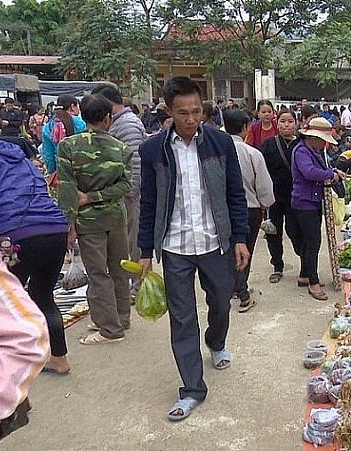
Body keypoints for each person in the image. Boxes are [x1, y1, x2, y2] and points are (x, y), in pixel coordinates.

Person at [137, 76, 250, 421]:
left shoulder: (220, 144)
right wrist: (145, 250)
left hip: (215, 242)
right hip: (175, 247)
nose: (191, 119)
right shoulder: (153, 149)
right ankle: (191, 389)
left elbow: (235, 193)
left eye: (196, 111)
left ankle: (216, 342)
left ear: (203, 109)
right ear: (168, 111)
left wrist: (240, 237)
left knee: (220, 301)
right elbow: (149, 202)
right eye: (183, 112)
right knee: (182, 318)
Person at [0, 133, 69, 373]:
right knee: (42, 294)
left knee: (3, 306)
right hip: (55, 229)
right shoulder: (21, 159)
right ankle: (59, 358)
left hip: (15, 236)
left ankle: (12, 372)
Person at [57, 95, 132, 346]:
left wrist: (70, 223)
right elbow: (126, 185)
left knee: (98, 273)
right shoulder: (120, 148)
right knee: (120, 269)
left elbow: (67, 190)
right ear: (107, 117)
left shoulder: (68, 146)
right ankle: (119, 318)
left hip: (89, 224)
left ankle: (110, 329)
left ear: (82, 116)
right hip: (117, 218)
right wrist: (99, 195)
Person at [91, 83, 148, 299]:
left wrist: (131, 191)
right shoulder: (117, 122)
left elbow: (135, 161)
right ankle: (130, 286)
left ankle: (137, 286)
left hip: (129, 195)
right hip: (121, 193)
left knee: (133, 242)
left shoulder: (127, 125)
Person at [224, 108, 275, 312]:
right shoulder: (252, 153)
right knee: (246, 250)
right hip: (249, 208)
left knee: (227, 250)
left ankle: (231, 289)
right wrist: (266, 203)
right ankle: (243, 293)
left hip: (223, 209)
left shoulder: (218, 152)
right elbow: (263, 185)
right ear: (245, 128)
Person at [0, 245, 49, 422]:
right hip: (49, 235)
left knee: (39, 296)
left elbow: (25, 333)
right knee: (43, 296)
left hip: (24, 240)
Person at [291, 117, 347, 301]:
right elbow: (310, 173)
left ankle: (305, 274)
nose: (324, 144)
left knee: (309, 241)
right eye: (322, 140)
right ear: (313, 137)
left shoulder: (313, 151)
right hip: (304, 202)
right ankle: (313, 282)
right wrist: (331, 174)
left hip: (313, 201)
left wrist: (333, 171)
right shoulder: (301, 151)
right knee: (313, 242)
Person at [259, 109, 303, 284]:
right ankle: (277, 266)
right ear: (278, 123)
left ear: (296, 123)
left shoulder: (300, 144)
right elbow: (261, 171)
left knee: (294, 231)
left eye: (290, 121)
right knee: (273, 233)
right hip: (273, 197)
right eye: (283, 121)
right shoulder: (269, 144)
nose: (286, 125)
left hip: (294, 197)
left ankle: (305, 264)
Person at [42, 95, 87, 174]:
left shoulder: (48, 127)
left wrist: (52, 172)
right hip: (81, 167)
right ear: (72, 106)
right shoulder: (79, 122)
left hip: (61, 170)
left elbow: (48, 155)